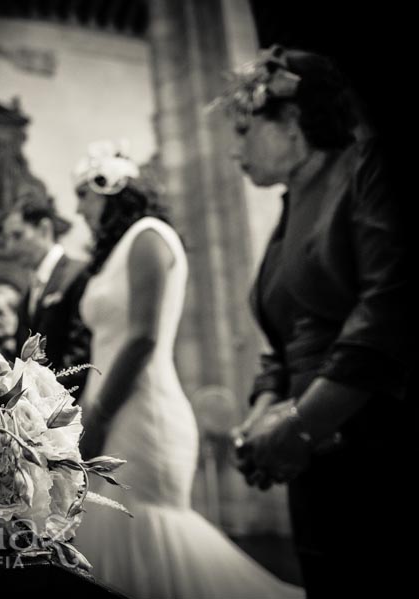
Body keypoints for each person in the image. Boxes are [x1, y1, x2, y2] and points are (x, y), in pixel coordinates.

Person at [70, 141, 302, 599]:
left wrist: (98, 418)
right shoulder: (118, 251)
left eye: (83, 194)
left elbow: (142, 339)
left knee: (149, 531)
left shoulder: (149, 235)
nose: (78, 208)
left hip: (140, 413)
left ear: (110, 186)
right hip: (112, 408)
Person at [224, 46, 413, 597]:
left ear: (291, 124)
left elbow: (388, 309)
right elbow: (280, 344)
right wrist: (259, 420)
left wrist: (301, 425)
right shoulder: (291, 205)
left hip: (375, 444)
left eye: (243, 129)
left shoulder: (365, 167)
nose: (234, 151)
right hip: (309, 456)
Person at [2, 194, 91, 399]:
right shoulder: (30, 289)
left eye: (17, 236)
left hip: (64, 404)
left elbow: (80, 355)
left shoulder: (76, 274)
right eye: (6, 239)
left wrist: (48, 402)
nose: (10, 248)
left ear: (44, 229)